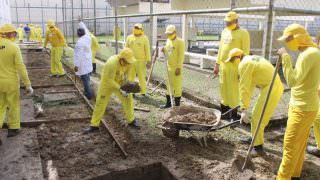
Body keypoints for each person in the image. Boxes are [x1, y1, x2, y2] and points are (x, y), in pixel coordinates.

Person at [276, 24, 320, 179]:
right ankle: (294, 175)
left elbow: (293, 81)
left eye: (289, 39)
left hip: (302, 108)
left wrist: (285, 57)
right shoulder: (312, 53)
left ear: (298, 37)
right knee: (299, 145)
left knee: (289, 145)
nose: (287, 43)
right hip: (306, 106)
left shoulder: (308, 54)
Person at [225, 48, 284, 156]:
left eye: (233, 60)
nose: (233, 63)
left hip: (271, 88)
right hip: (272, 87)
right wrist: (244, 105)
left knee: (258, 117)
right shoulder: (251, 59)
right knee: (259, 115)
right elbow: (250, 86)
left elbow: (244, 87)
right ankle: (254, 137)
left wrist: (243, 109)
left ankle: (258, 148)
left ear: (238, 57)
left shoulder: (244, 64)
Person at [83, 48, 140, 134]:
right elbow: (109, 80)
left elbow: (127, 75)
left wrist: (127, 86)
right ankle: (94, 125)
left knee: (128, 100)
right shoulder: (112, 63)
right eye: (127, 61)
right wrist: (120, 89)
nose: (128, 63)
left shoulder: (129, 62)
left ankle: (131, 121)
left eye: (129, 62)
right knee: (100, 103)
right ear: (121, 59)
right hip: (106, 84)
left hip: (120, 82)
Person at [213, 11, 250, 120]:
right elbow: (220, 50)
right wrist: (217, 65)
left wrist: (242, 70)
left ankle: (233, 117)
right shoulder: (225, 31)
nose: (227, 25)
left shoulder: (243, 33)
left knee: (234, 91)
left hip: (235, 67)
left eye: (229, 22)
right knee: (223, 89)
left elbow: (245, 53)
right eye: (226, 22)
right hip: (224, 66)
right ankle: (224, 114)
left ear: (236, 21)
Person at [0, 24, 33, 142]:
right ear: (8, 33)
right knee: (13, 105)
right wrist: (27, 84)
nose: (15, 34)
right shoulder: (14, 47)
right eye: (13, 33)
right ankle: (13, 129)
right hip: (11, 83)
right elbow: (21, 67)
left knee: (0, 107)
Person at [160, 25, 185, 109]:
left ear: (175, 32)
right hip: (169, 67)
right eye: (167, 34)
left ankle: (177, 106)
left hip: (176, 68)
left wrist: (178, 67)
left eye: (170, 33)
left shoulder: (180, 42)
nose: (169, 35)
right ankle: (168, 104)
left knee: (177, 86)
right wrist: (164, 50)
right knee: (168, 85)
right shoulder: (168, 40)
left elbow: (181, 56)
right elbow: (168, 52)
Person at [125, 23, 151, 96]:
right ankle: (131, 92)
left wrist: (148, 61)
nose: (136, 29)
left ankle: (143, 92)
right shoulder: (129, 37)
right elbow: (126, 49)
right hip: (131, 61)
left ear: (141, 29)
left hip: (141, 61)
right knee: (130, 77)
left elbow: (147, 50)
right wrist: (125, 58)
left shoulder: (145, 38)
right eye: (135, 28)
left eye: (138, 28)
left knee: (142, 77)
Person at [74, 22, 94, 99]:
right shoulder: (87, 37)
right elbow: (86, 30)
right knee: (87, 78)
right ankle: (88, 92)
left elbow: (78, 56)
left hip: (83, 64)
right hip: (88, 61)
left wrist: (76, 66)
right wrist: (80, 22)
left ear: (78, 34)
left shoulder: (79, 42)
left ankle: (88, 95)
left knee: (85, 80)